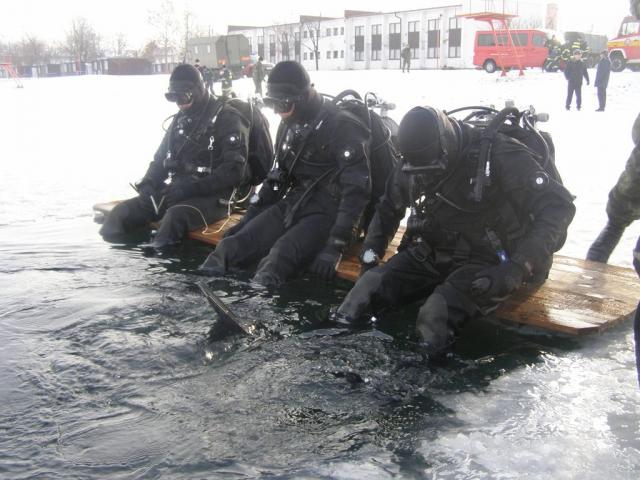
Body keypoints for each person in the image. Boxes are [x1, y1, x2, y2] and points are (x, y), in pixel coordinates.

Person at [332, 106, 576, 358]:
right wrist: (369, 257)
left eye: (431, 170)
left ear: (445, 150)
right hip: (432, 249)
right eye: (418, 171)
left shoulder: (499, 155)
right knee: (363, 292)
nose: (424, 178)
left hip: (488, 261)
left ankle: (426, 376)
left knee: (434, 317)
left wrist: (517, 267)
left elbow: (559, 208)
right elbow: (387, 208)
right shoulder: (412, 162)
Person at [200, 61, 372, 287]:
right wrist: (248, 220)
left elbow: (357, 191)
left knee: (279, 257)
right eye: (272, 104)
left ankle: (259, 303)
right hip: (296, 202)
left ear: (304, 97)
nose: (278, 112)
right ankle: (198, 289)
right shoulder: (289, 124)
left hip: (332, 212)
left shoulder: (343, 127)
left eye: (283, 104)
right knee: (232, 245)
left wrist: (335, 245)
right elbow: (277, 178)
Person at [99, 64, 254, 252]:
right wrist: (149, 183)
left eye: (183, 97)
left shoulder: (227, 118)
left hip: (217, 196)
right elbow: (160, 160)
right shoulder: (180, 120)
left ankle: (158, 263)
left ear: (198, 90)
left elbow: (234, 171)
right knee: (120, 214)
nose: (179, 103)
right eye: (173, 97)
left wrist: (189, 189)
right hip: (179, 190)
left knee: (174, 218)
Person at [587, 113, 640, 262]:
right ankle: (591, 270)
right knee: (614, 228)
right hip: (631, 186)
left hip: (629, 186)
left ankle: (591, 270)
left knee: (613, 229)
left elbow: (636, 132)